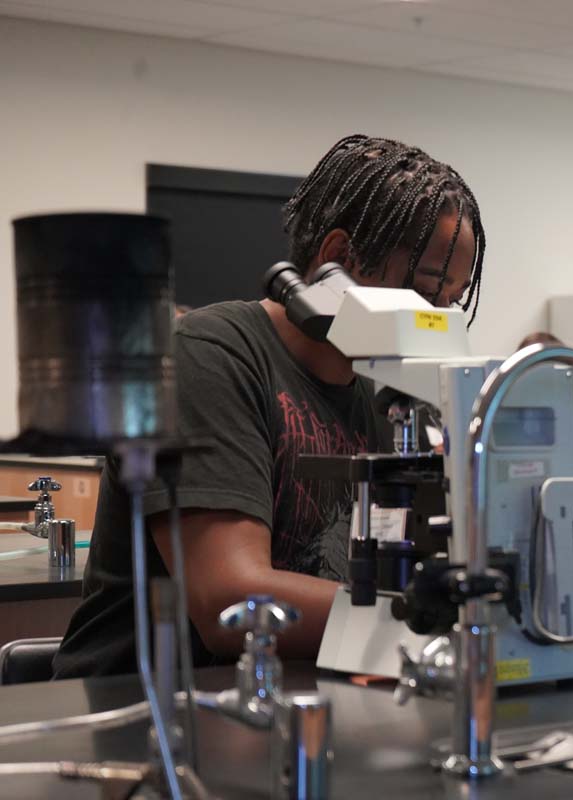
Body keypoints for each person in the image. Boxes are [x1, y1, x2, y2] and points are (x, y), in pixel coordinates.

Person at [54, 134, 486, 677]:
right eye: (426, 292)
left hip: (302, 692)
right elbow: (230, 602)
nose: (438, 319)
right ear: (337, 259)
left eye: (452, 300)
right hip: (146, 714)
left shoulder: (389, 391)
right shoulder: (207, 357)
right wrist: (433, 616)